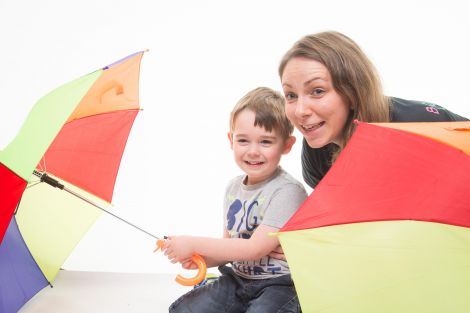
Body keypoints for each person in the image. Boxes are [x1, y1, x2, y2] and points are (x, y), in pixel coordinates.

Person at [164, 87, 307, 313]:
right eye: (243, 140)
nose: (252, 151)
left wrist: (191, 242)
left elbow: (254, 249)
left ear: (286, 145)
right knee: (183, 310)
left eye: (266, 142)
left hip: (278, 284)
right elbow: (229, 246)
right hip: (237, 279)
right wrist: (201, 258)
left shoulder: (288, 191)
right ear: (231, 140)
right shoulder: (233, 188)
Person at [279, 31, 469, 189]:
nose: (300, 111)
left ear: (352, 92)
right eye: (291, 95)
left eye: (317, 91)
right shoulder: (318, 152)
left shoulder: (418, 125)